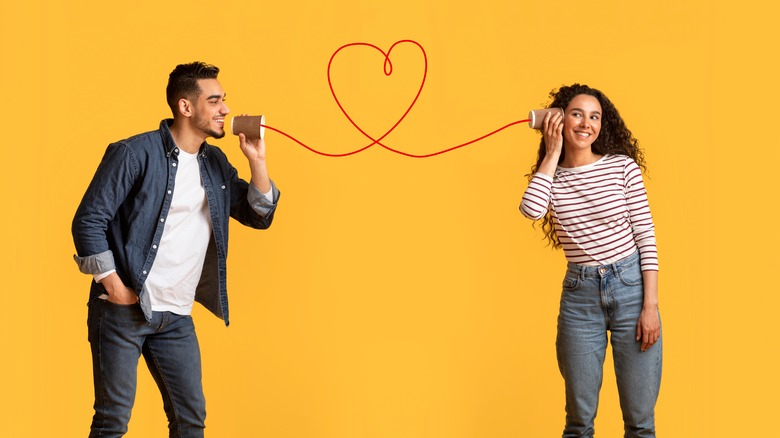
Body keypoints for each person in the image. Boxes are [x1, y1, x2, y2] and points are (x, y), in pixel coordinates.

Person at [72, 61, 281, 437]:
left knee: (190, 422)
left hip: (177, 316)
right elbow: (88, 220)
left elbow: (257, 215)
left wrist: (258, 162)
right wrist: (115, 288)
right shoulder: (133, 154)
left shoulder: (215, 162)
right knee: (112, 421)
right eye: (214, 101)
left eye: (224, 100)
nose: (226, 110)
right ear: (186, 107)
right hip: (125, 310)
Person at [519, 84, 662, 437]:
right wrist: (552, 153)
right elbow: (531, 210)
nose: (586, 123)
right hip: (580, 297)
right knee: (579, 422)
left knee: (640, 421)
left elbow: (646, 235)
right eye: (577, 114)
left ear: (603, 124)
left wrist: (651, 305)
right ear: (559, 120)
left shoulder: (622, 168)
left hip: (631, 289)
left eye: (595, 116)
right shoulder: (551, 177)